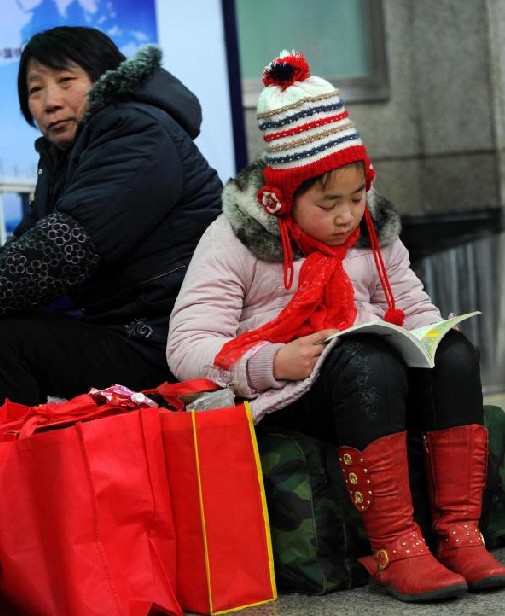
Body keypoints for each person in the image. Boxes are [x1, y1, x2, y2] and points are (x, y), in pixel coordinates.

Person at [167, 50, 505, 603]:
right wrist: (274, 361)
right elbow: (186, 347)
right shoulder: (232, 241)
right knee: (365, 365)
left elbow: (414, 306)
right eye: (329, 204)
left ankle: (458, 533)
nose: (348, 216)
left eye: (356, 198)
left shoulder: (372, 230)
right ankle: (397, 546)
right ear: (281, 198)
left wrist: (431, 336)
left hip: (375, 378)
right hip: (290, 389)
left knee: (455, 352)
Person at [0, 26, 222, 404]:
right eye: (35, 90)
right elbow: (24, 249)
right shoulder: (62, 159)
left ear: (106, 77)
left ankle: (26, 462)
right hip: (123, 331)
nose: (49, 101)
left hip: (168, 342)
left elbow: (62, 250)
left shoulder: (136, 131)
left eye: (66, 80)